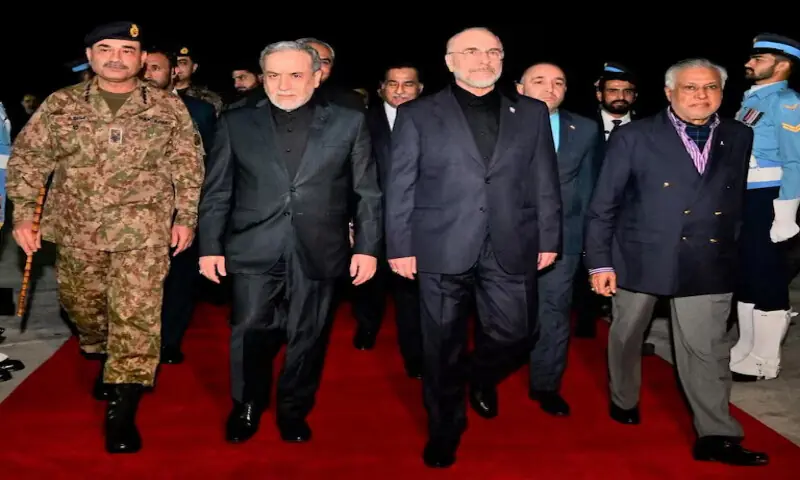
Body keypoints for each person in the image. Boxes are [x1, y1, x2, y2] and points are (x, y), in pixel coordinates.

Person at [6, 21, 205, 453]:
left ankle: (123, 406)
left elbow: (188, 167)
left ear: (140, 58)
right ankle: (101, 350)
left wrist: (186, 216)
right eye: (106, 48)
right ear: (91, 56)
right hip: (77, 230)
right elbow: (27, 159)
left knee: (136, 315)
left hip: (144, 234)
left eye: (127, 49)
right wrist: (24, 216)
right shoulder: (61, 105)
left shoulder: (167, 108)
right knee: (82, 308)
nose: (117, 57)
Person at [386, 27, 561, 468]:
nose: (483, 58)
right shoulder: (417, 113)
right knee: (440, 344)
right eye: (471, 51)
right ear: (449, 61)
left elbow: (544, 179)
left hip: (512, 241)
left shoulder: (532, 111)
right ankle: (445, 428)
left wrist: (549, 237)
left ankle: (476, 375)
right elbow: (400, 182)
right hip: (439, 243)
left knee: (518, 333)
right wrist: (399, 245)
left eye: (493, 51)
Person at [585, 58, 768, 466]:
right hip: (640, 254)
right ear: (669, 93)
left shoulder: (739, 135)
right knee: (627, 334)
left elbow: (734, 200)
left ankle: (717, 435)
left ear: (722, 93)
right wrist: (600, 263)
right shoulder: (634, 136)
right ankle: (623, 397)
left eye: (710, 88)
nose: (701, 96)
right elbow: (603, 206)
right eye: (690, 88)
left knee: (706, 350)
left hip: (707, 257)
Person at [197, 40, 381, 444]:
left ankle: (293, 409)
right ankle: (246, 404)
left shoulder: (349, 121)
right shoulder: (235, 121)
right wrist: (209, 246)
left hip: (321, 246)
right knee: (247, 328)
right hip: (253, 244)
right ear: (262, 78)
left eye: (296, 75)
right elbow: (217, 191)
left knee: (308, 335)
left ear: (317, 77)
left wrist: (366, 248)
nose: (284, 85)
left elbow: (367, 192)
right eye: (274, 75)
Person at [515, 62, 601, 416]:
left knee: (554, 312)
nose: (550, 88)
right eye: (539, 81)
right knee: (500, 316)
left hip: (562, 240)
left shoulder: (584, 129)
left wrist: (585, 246)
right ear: (519, 88)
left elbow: (588, 191)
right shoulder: (495, 123)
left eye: (559, 83)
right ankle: (485, 375)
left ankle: (546, 384)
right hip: (503, 238)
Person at [730, 33, 800, 381]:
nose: (751, 62)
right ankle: (746, 346)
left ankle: (765, 360)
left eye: (760, 58)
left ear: (782, 64)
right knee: (746, 274)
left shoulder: (786, 101)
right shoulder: (751, 101)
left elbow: (795, 160)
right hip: (746, 196)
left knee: (769, 274)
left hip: (769, 196)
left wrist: (786, 211)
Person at [143, 46, 217, 364]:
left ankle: (170, 340)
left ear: (173, 71)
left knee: (178, 279)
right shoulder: (123, 107)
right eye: (144, 67)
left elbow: (213, 161)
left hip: (181, 210)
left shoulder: (199, 111)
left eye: (156, 68)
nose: (148, 73)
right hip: (136, 212)